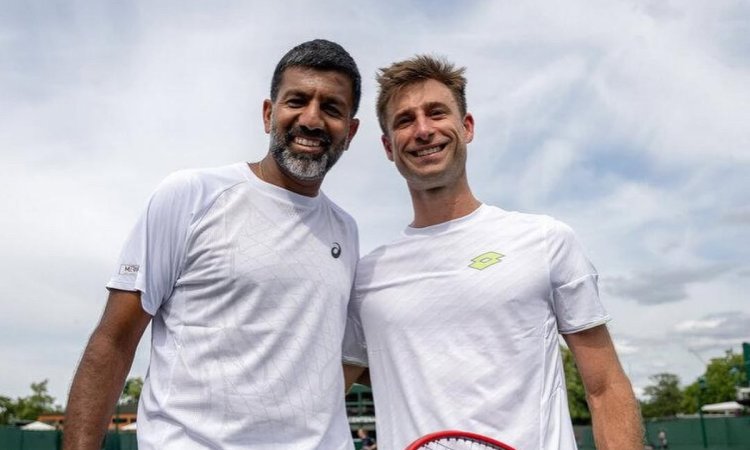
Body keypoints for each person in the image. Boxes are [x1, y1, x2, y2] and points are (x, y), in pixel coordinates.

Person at [64, 39, 362, 450]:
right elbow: (114, 341)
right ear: (268, 114)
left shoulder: (347, 231)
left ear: (350, 131)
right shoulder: (191, 195)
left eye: (331, 108)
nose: (311, 119)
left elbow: (333, 361)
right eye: (297, 101)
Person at [343, 55, 643, 449]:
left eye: (436, 113)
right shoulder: (365, 278)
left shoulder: (546, 240)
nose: (423, 130)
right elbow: (323, 392)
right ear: (388, 146)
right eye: (404, 120)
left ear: (467, 127)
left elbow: (605, 386)